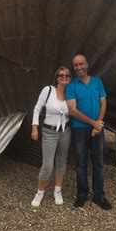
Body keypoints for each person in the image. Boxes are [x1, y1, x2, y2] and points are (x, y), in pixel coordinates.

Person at [66, 54, 112, 210]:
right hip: (79, 130)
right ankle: (82, 195)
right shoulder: (71, 86)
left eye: (81, 64)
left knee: (99, 163)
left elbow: (103, 102)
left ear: (86, 64)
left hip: (96, 129)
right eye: (76, 65)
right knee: (80, 164)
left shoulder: (97, 82)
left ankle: (99, 196)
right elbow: (72, 110)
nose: (79, 67)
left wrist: (98, 125)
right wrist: (94, 123)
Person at [30, 67, 72, 207]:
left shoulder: (70, 93)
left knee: (61, 162)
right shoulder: (48, 90)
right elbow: (37, 108)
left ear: (70, 78)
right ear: (57, 77)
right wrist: (34, 127)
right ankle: (40, 192)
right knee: (47, 165)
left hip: (65, 131)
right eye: (61, 75)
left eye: (67, 75)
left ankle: (57, 191)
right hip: (49, 132)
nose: (64, 77)